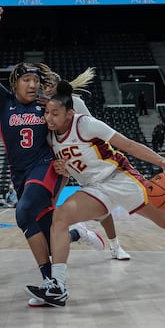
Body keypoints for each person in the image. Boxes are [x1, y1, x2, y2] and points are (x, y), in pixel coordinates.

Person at [24, 81, 165, 307]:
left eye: (55, 113)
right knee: (60, 217)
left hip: (121, 178)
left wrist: (163, 162)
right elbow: (66, 169)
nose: (49, 118)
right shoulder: (50, 137)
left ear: (69, 113)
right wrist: (62, 172)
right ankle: (58, 286)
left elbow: (129, 145)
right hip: (94, 189)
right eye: (47, 113)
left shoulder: (85, 124)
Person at [0, 6, 105, 308]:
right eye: (26, 80)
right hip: (20, 175)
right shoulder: (1, 100)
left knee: (24, 213)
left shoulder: (47, 105)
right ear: (15, 82)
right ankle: (77, 234)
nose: (32, 84)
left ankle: (51, 283)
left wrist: (66, 165)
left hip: (46, 168)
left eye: (35, 80)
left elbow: (73, 127)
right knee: (44, 229)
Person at [39, 66, 131, 261]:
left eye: (50, 86)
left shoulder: (76, 104)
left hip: (76, 158)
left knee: (103, 209)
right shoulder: (40, 106)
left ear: (59, 87)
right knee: (50, 205)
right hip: (54, 157)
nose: (47, 90)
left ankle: (113, 245)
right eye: (45, 86)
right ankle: (75, 235)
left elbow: (91, 131)